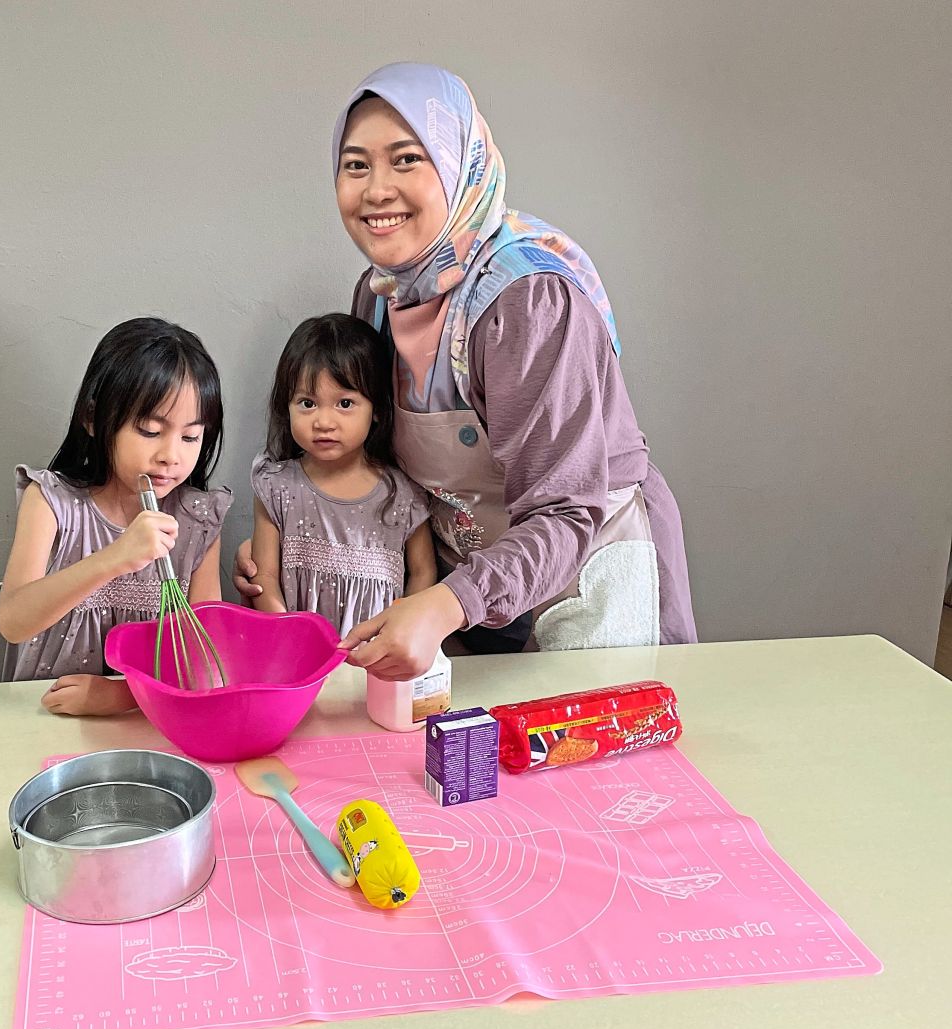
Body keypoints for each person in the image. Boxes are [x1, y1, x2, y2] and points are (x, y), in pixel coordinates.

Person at [235, 62, 696, 681]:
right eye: (355, 165)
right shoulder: (377, 299)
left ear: (459, 166)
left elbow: (564, 512)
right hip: (466, 579)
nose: (376, 190)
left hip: (588, 571)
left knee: (578, 761)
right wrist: (288, 545)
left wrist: (449, 603)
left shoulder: (527, 299)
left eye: (406, 160)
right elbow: (373, 470)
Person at [0, 317, 231, 715]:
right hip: (42, 714)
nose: (171, 455)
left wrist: (123, 697)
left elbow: (202, 657)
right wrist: (114, 558)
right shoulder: (52, 501)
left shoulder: (198, 521)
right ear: (93, 418)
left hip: (150, 718)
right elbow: (14, 621)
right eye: (149, 430)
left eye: (191, 436)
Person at [250, 313, 436, 637]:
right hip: (300, 661)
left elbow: (422, 574)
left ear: (376, 408)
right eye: (307, 403)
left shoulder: (403, 494)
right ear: (287, 406)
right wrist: (288, 635)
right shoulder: (275, 486)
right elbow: (264, 576)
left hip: (378, 659)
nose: (324, 421)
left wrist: (402, 632)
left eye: (345, 403)